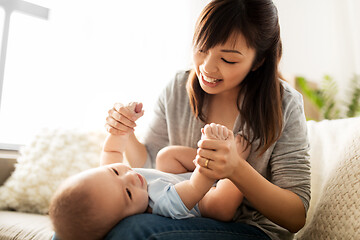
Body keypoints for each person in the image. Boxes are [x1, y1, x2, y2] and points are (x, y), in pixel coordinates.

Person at [104, 0, 311, 239]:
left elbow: (295, 216)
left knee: (136, 230)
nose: (207, 68)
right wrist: (124, 131)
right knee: (86, 217)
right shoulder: (178, 89)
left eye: (228, 60)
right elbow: (149, 165)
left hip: (251, 229)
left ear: (259, 61)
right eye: (202, 49)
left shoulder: (284, 104)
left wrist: (236, 168)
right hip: (182, 215)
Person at [49, 103, 247, 240]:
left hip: (178, 178)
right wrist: (213, 152)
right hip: (201, 195)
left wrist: (123, 129)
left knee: (166, 156)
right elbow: (197, 185)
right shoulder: (163, 204)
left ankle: (225, 164)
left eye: (115, 172)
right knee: (218, 206)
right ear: (126, 219)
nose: (131, 177)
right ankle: (237, 162)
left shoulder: (110, 184)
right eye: (127, 193)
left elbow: (112, 150)